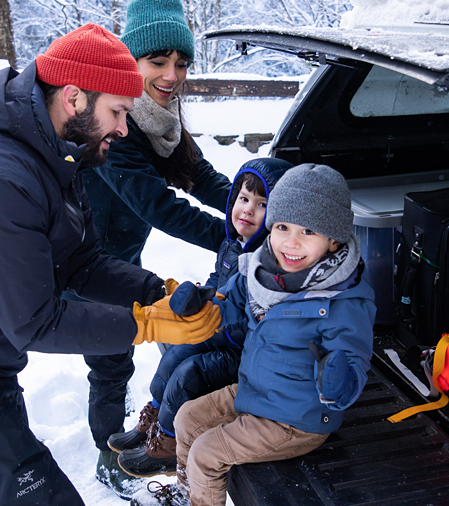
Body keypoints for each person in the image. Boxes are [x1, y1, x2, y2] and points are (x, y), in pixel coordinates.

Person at [0, 24, 222, 506]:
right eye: (118, 112)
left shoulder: (55, 156)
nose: (123, 129)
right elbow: (35, 321)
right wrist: (144, 325)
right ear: (75, 98)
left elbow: (80, 263)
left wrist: (153, 290)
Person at [131, 164, 378, 506]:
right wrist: (196, 305)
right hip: (255, 392)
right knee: (187, 417)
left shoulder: (343, 301)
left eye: (308, 231)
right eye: (282, 227)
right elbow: (225, 309)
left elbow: (353, 369)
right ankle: (187, 494)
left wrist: (337, 379)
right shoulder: (259, 272)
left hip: (297, 419)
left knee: (206, 454)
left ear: (333, 239)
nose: (291, 242)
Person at [80, 0, 232, 496]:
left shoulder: (158, 119)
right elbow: (158, 206)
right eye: (158, 62)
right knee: (110, 359)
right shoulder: (114, 124)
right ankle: (110, 461)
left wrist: (256, 201)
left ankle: (124, 441)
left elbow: (200, 176)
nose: (172, 75)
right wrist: (234, 236)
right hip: (86, 261)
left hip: (119, 255)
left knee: (119, 351)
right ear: (131, 62)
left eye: (181, 63)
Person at [108, 157, 293, 478]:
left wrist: (209, 328)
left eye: (262, 204)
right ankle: (152, 418)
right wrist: (198, 304)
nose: (247, 210)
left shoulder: (268, 262)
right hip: (221, 333)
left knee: (189, 372)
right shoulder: (232, 244)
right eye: (243, 199)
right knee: (174, 354)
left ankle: (167, 445)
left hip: (244, 353)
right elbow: (216, 284)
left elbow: (253, 320)